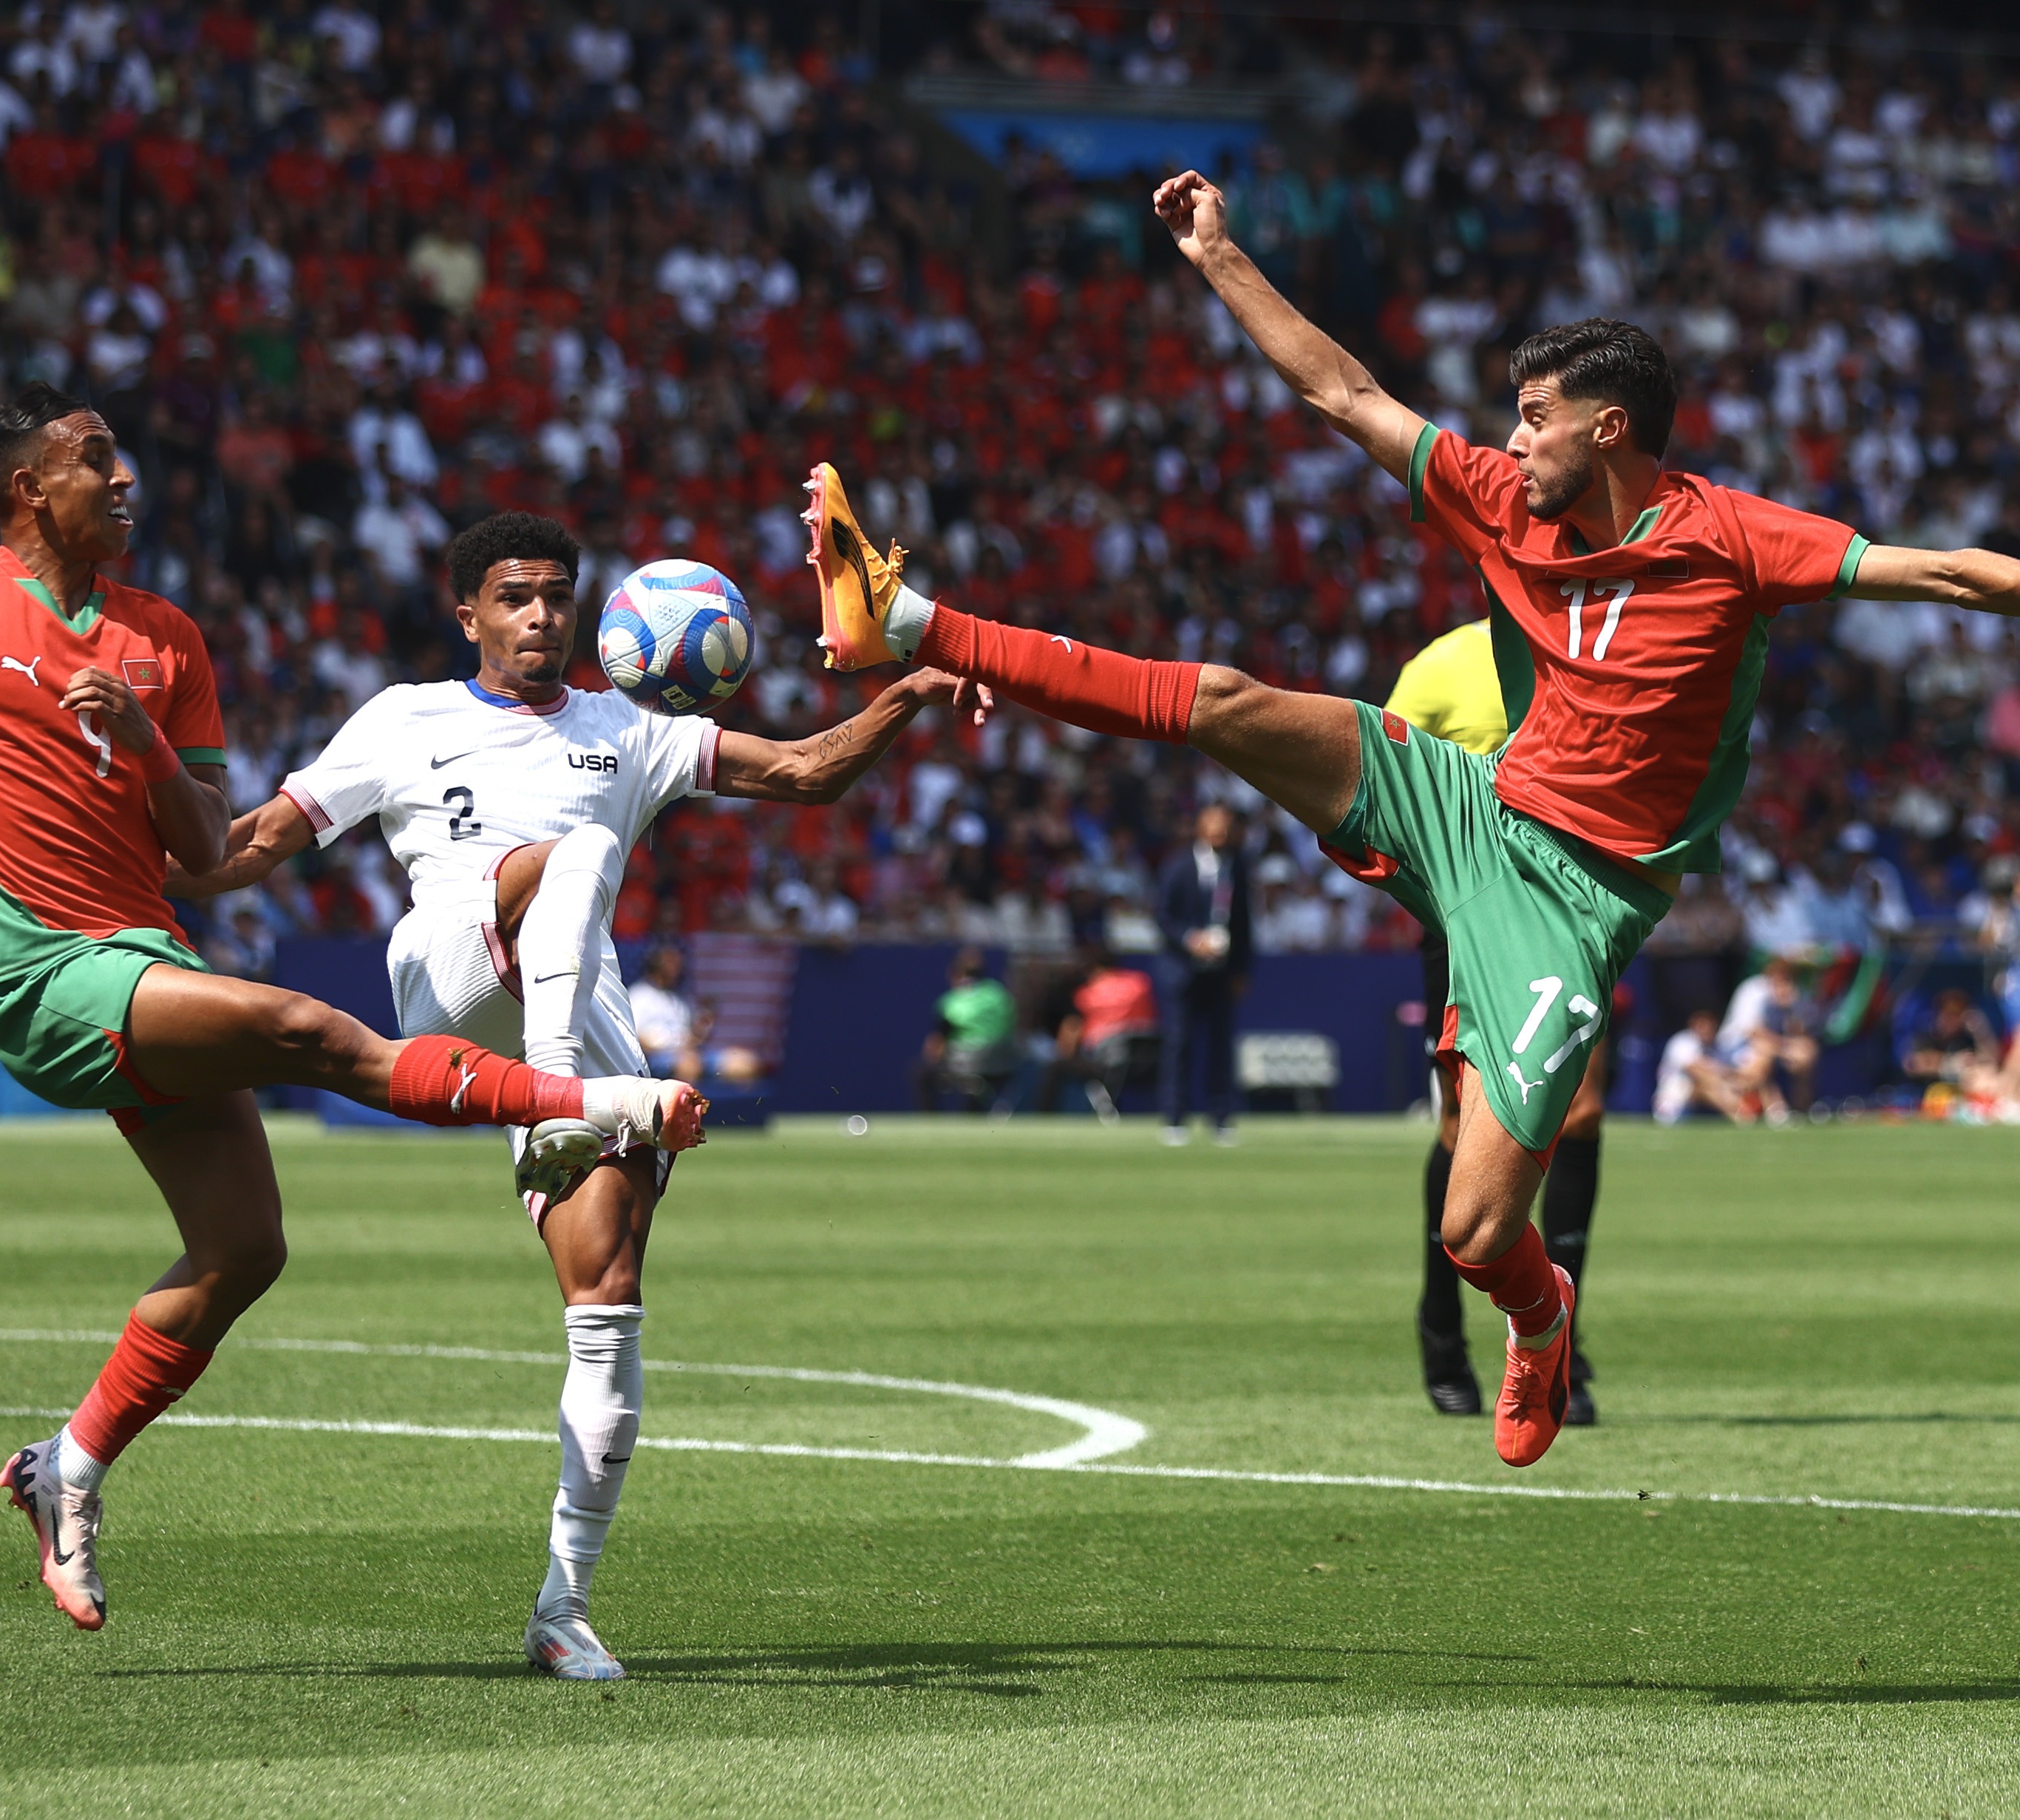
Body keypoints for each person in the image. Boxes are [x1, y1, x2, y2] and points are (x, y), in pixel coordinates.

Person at [798, 167, 2020, 1470]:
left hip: (1579, 898)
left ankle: (1540, 1320)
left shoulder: (1731, 537)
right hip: (1472, 806)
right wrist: (1218, 256)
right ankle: (910, 621)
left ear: (1609, 429)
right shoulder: (1504, 500)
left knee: (1478, 1233)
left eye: (1533, 418)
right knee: (1220, 697)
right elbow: (1343, 393)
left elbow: (1937, 568)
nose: (1510, 441)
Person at [0, 387, 701, 1642]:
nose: (125, 478)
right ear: (29, 488)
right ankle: (589, 1104)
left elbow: (199, 846)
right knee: (307, 1028)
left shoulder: (166, 640)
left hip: (145, 951)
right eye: (96, 461)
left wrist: (141, 735)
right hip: (38, 972)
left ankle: (66, 1466)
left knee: (244, 1249)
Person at [166, 508, 975, 1681]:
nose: (538, 614)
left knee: (607, 1298)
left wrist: (911, 690)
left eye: (554, 594)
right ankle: (558, 1101)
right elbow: (247, 845)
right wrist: (136, 857)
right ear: (468, 613)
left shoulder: (627, 730)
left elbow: (808, 771)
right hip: (448, 979)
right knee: (579, 852)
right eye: (512, 595)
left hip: (581, 1023)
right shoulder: (405, 718)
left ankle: (563, 1605)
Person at [1387, 619, 1615, 1425]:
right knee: (1463, 1132)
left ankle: (1563, 1344)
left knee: (1580, 1115)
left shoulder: (1591, 657)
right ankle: (1441, 1332)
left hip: (1569, 916)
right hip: (1462, 923)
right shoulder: (1438, 666)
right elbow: (1386, 792)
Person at [1153, 801, 1252, 1145]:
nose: (1220, 830)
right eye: (1213, 822)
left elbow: (1243, 923)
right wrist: (1190, 940)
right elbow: (1163, 917)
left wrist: (1241, 968)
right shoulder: (1178, 865)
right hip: (1182, 971)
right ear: (1200, 827)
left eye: (1225, 823)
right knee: (1179, 1046)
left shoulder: (1236, 866)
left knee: (1221, 1046)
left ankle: (1221, 1117)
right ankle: (1175, 1118)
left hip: (1221, 972)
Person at [1037, 947, 1159, 1121]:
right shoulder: (1141, 984)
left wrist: (1065, 1051)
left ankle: (1044, 1118)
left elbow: (1072, 1032)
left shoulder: (1087, 996)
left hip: (1108, 1065)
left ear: (1093, 967)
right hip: (1149, 1063)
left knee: (1054, 1067)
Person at [628, 943, 762, 1084]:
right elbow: (636, 1038)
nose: (676, 968)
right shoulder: (639, 995)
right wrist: (676, 1050)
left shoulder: (681, 998)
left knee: (745, 1064)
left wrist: (703, 1024)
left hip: (692, 1054)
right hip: (658, 1058)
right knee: (690, 1066)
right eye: (670, 962)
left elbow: (693, 1038)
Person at [1718, 954, 1822, 1120]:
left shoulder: (1794, 994)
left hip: (1773, 1046)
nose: (1783, 979)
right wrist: (1784, 1048)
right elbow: (1752, 1032)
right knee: (1763, 1052)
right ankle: (1775, 1108)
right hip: (1735, 1046)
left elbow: (1800, 1033)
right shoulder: (1754, 990)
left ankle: (1803, 1107)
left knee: (1807, 1052)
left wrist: (1790, 1009)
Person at [917, 946, 1018, 1112]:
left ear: (955, 973)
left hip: (965, 1064)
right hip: (1002, 1062)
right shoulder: (1000, 994)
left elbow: (937, 1042)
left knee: (921, 1073)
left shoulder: (952, 1001)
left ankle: (931, 1121)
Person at [1654, 1008, 1754, 1126]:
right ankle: (1740, 1115)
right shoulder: (1682, 1041)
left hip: (1695, 1106)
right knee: (1704, 1085)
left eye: (1709, 1026)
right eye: (1701, 1026)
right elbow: (1696, 1070)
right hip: (1672, 1104)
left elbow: (1735, 1070)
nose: (1706, 1030)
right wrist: (1728, 1087)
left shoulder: (1717, 1046)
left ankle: (1745, 1115)